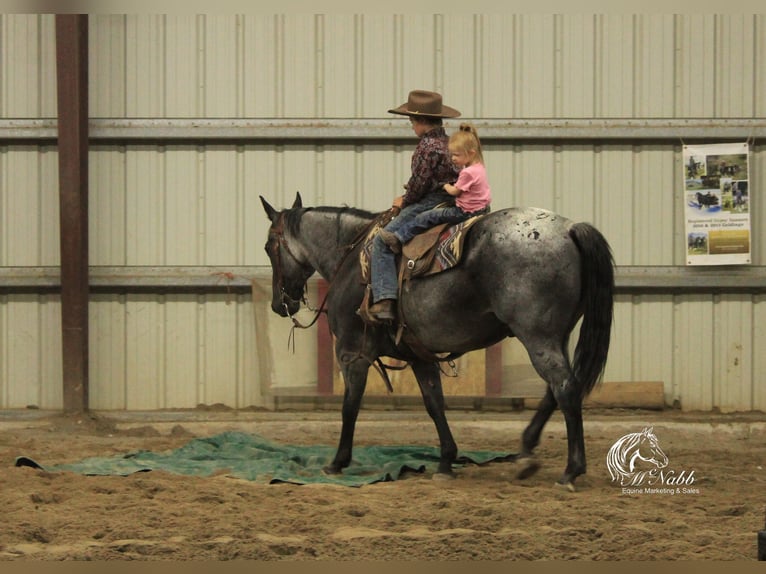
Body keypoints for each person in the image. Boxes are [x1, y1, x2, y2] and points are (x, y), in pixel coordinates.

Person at [367, 90, 461, 323]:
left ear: (421, 121)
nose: (411, 127)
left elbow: (419, 186)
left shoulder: (427, 146)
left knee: (382, 240)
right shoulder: (450, 143)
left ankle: (385, 300)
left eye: (412, 122)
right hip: (455, 200)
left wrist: (403, 200)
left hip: (431, 200)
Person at [378, 123, 491, 253]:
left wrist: (445, 185)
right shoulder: (480, 167)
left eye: (457, 155)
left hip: (465, 211)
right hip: (482, 208)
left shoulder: (467, 172)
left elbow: (455, 191)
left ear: (471, 153)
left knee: (426, 217)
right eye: (452, 154)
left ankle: (398, 238)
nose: (453, 159)